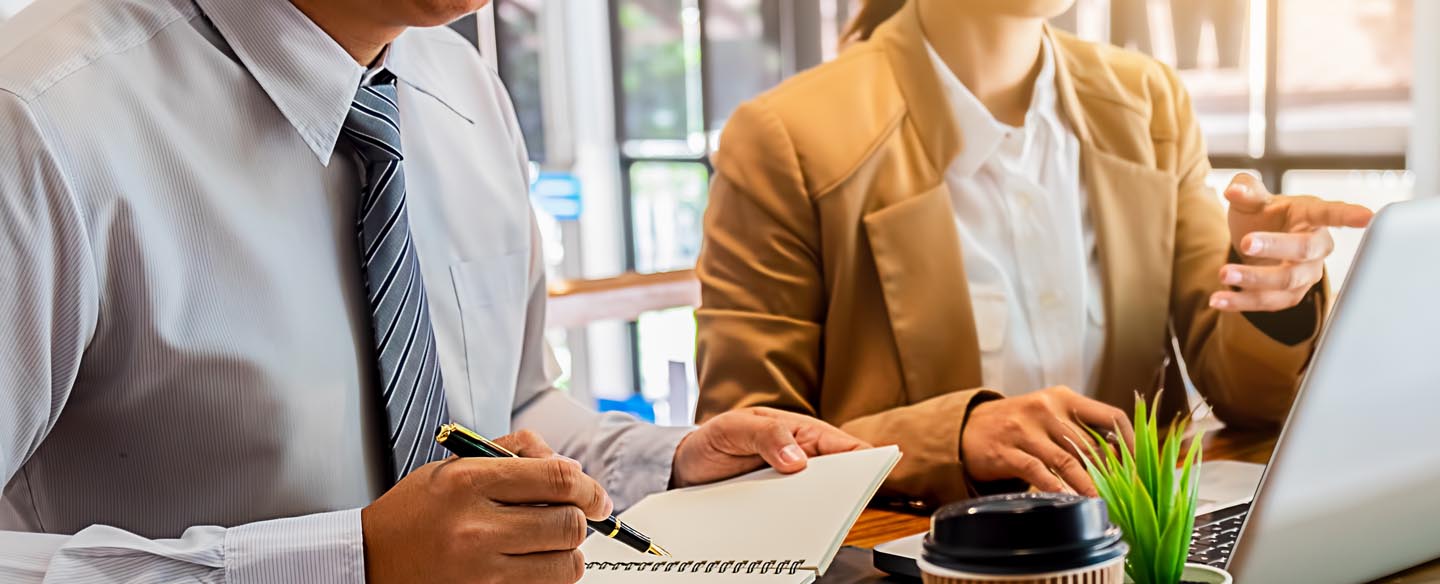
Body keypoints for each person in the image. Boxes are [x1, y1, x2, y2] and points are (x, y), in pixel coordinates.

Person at [0, 0, 871, 582]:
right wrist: (354, 563)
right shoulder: (37, 117)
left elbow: (514, 404)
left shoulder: (462, 89)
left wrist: (672, 466)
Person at [694, 0, 1373, 506]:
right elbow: (741, 455)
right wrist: (954, 437)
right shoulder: (785, 137)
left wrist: (1270, 294)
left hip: (1134, 549)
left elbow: (1250, 399)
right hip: (919, 558)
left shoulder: (1149, 101)